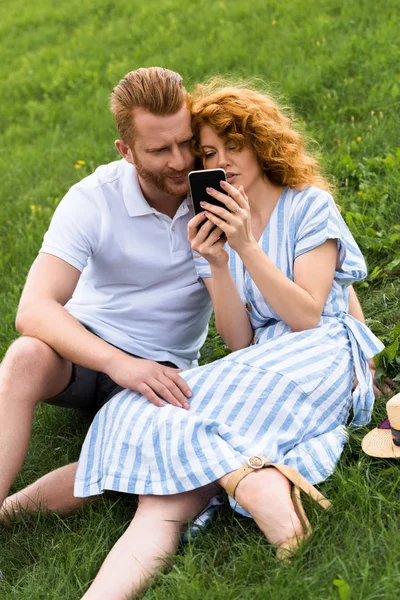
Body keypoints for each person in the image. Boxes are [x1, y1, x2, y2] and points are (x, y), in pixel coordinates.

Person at [70, 79, 384, 600]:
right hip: (263, 363)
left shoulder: (309, 207)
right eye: (211, 152)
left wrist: (247, 245)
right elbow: (239, 341)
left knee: (177, 440)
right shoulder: (212, 229)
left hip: (322, 354)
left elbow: (308, 318)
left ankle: (250, 479)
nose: (226, 160)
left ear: (262, 144)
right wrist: (218, 260)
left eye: (235, 145)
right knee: (140, 432)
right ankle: (251, 479)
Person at [0, 67, 213, 519]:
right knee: (23, 358)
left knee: (136, 455)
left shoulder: (216, 190)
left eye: (185, 141)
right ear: (127, 151)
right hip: (85, 348)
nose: (179, 160)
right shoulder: (94, 197)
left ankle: (10, 512)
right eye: (159, 150)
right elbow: (34, 308)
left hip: (162, 366)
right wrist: (118, 362)